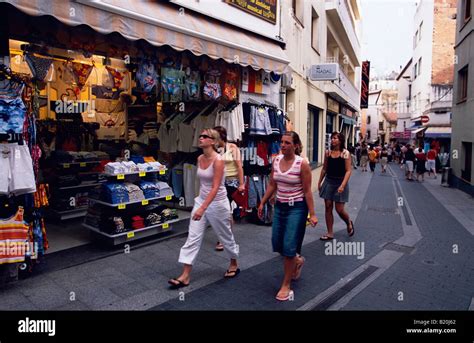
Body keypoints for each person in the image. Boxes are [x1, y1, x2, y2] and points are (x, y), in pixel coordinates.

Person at [168, 128, 240, 289]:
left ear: (213, 142)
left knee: (225, 235)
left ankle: (234, 262)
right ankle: (185, 275)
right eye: (200, 136)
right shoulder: (200, 158)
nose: (200, 138)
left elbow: (215, 187)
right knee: (193, 237)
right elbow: (203, 184)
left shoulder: (219, 160)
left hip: (218, 203)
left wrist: (203, 208)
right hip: (202, 201)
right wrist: (199, 205)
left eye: (204, 136)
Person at [257, 131, 318, 301]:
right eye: (282, 142)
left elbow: (307, 191)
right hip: (280, 207)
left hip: (297, 208)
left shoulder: (302, 164)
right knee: (277, 243)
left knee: (289, 245)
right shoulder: (276, 160)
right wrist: (262, 202)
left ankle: (286, 285)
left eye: (287, 143)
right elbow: (271, 184)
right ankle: (297, 261)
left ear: (296, 146)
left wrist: (312, 214)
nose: (283, 145)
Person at [317, 132, 355, 241]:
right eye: (332, 138)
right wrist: (319, 182)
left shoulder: (345, 153)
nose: (332, 140)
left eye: (335, 138)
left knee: (339, 209)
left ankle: (348, 222)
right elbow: (324, 168)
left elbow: (348, 171)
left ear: (340, 140)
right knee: (328, 206)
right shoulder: (328, 153)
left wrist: (343, 185)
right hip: (329, 181)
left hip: (340, 182)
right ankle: (330, 233)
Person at [213, 126, 245, 251]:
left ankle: (224, 238)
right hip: (220, 182)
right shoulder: (215, 149)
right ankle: (226, 236)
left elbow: (239, 167)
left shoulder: (232, 148)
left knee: (226, 211)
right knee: (222, 210)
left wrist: (241, 184)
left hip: (232, 183)